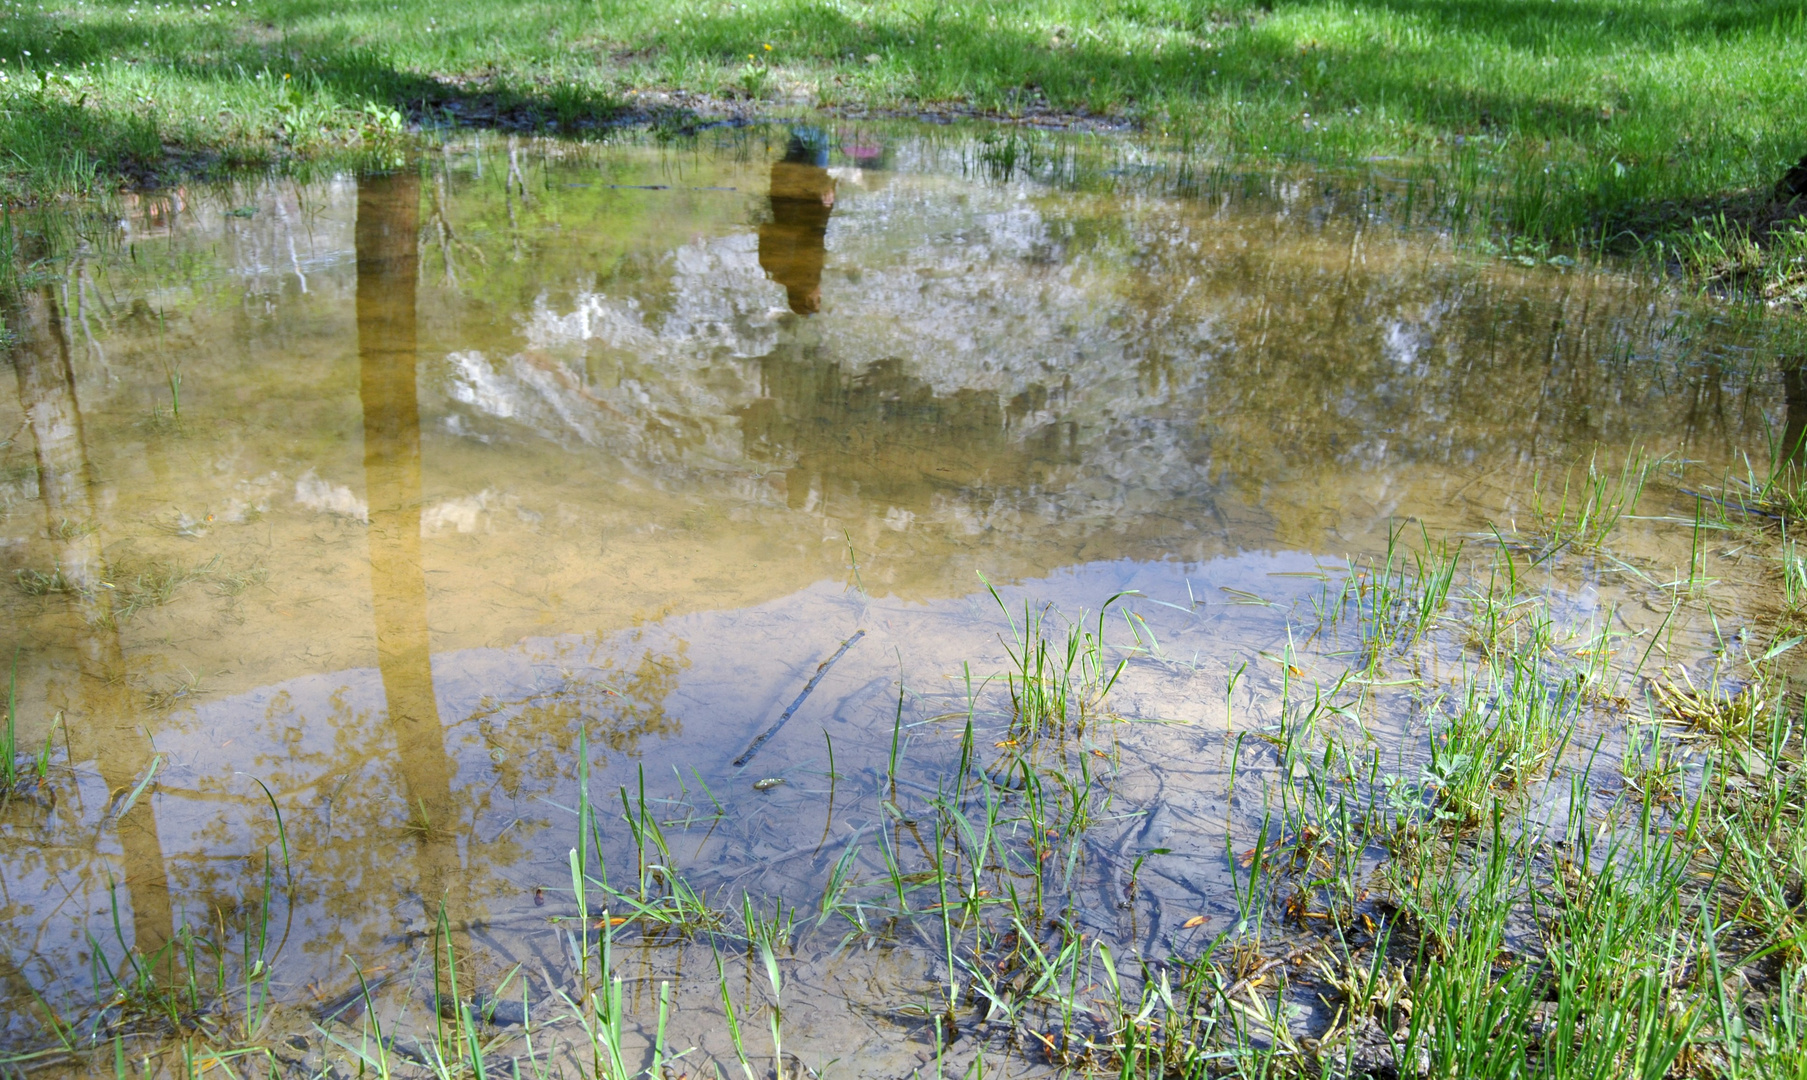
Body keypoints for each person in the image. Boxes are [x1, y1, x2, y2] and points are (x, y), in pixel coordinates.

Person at [758, 130, 837, 315]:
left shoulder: (809, 273)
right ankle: (798, 117)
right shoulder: (775, 271)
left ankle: (810, 116)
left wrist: (826, 201)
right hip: (783, 194)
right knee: (797, 142)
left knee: (820, 137)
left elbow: (815, 235)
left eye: (817, 299)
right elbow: (765, 228)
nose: (820, 293)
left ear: (808, 298)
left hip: (811, 197)